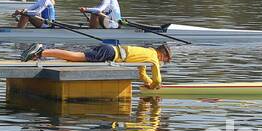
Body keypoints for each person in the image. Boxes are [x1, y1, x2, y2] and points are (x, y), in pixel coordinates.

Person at [23, 40, 172, 91]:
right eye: (164, 60)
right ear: (162, 54)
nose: (162, 62)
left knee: (75, 58)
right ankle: (42, 52)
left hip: (110, 49)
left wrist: (147, 82)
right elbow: (158, 80)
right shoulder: (153, 58)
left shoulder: (147, 53)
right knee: (76, 57)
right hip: (110, 54)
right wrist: (154, 88)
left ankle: (41, 52)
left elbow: (141, 73)